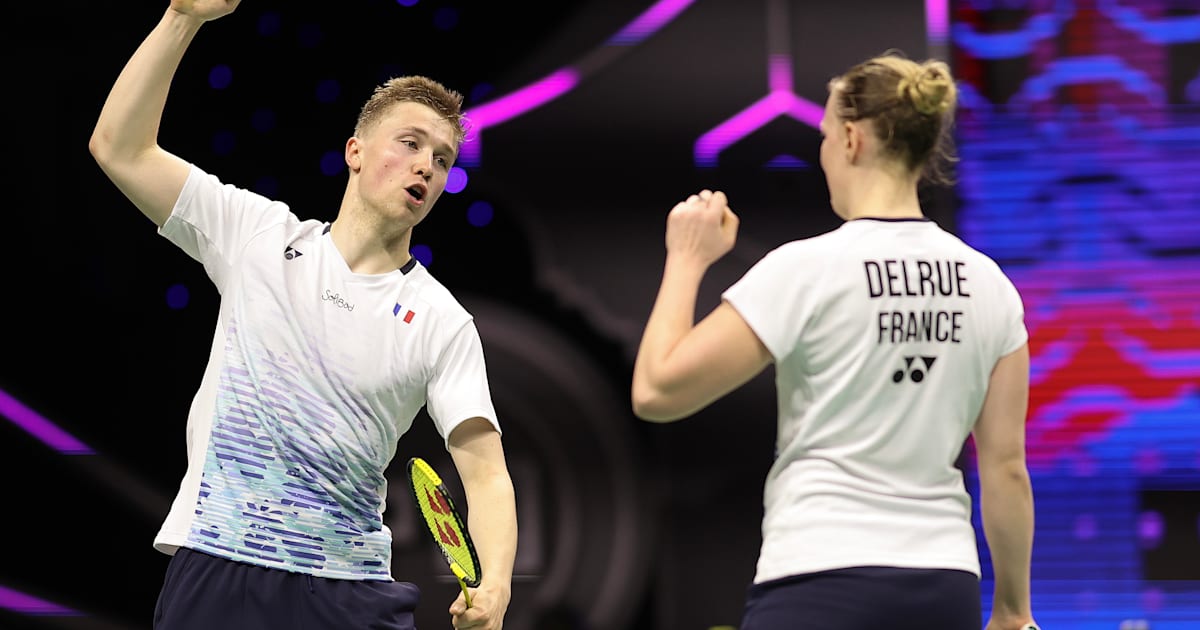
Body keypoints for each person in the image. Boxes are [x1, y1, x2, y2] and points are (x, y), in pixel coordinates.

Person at [88, 2, 517, 629]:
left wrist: (498, 582)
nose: (428, 165)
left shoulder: (440, 320)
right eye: (410, 143)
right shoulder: (257, 234)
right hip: (219, 563)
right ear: (356, 152)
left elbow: (486, 473)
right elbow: (119, 149)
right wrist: (180, 17)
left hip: (350, 591)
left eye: (444, 158)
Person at [630, 51, 1038, 630]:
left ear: (850, 139)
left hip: (818, 579)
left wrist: (686, 259)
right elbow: (1006, 469)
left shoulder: (806, 269)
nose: (822, 152)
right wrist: (1013, 611)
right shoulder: (991, 286)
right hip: (943, 586)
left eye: (823, 135)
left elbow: (656, 390)